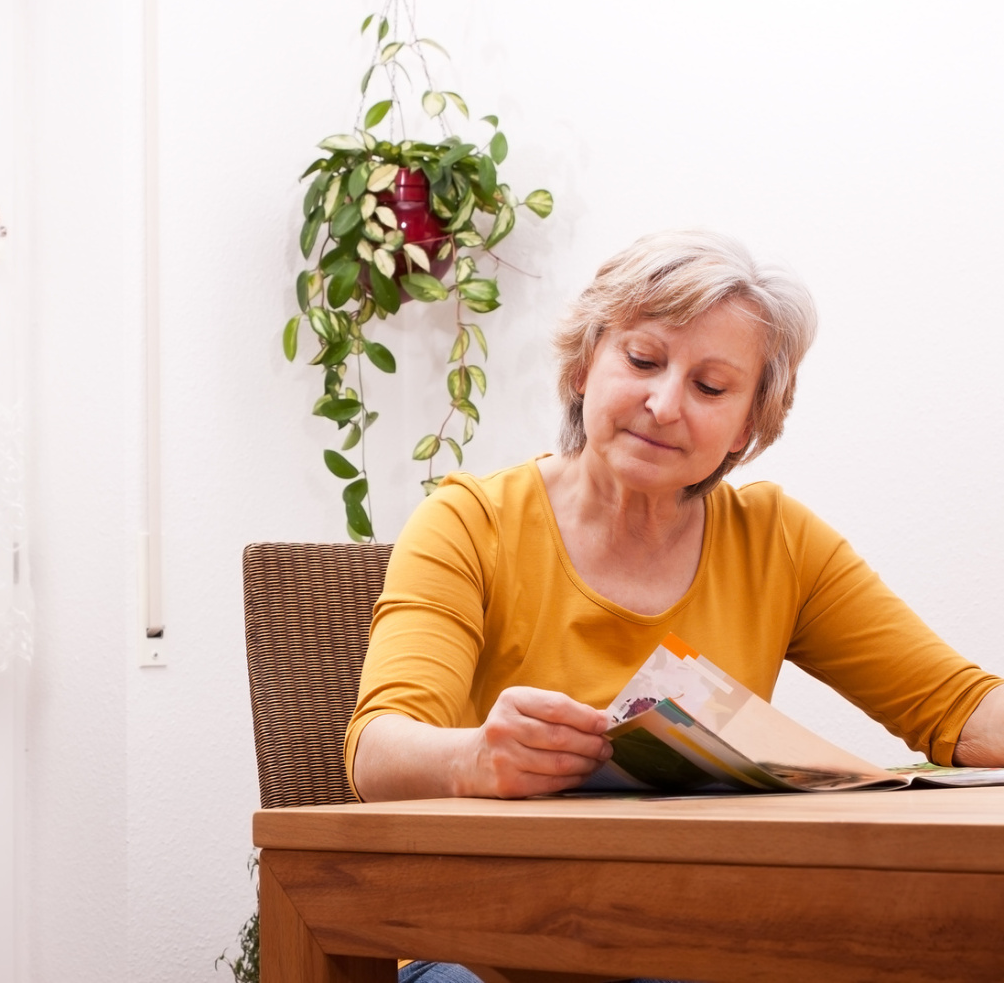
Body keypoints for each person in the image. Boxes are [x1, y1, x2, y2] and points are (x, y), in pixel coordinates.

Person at [345, 230, 1004, 983]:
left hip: (694, 934)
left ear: (749, 426)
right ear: (582, 365)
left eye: (711, 387)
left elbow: (957, 708)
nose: (662, 405)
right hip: (479, 939)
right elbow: (376, 753)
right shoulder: (469, 521)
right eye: (642, 360)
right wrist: (474, 757)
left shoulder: (777, 541)